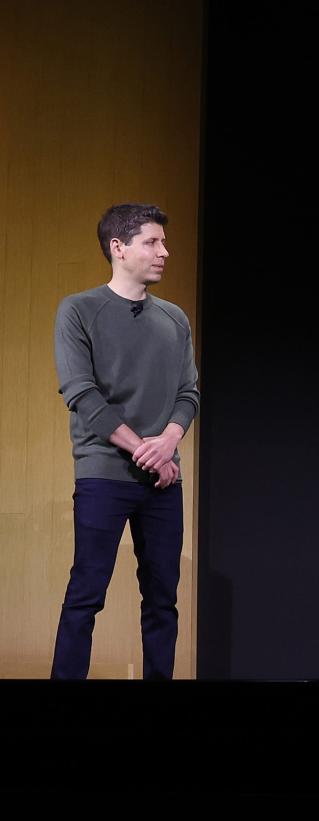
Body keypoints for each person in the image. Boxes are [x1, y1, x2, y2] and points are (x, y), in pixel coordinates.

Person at [50, 203, 200, 679]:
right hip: (104, 475)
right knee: (86, 594)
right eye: (152, 242)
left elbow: (188, 392)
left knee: (162, 600)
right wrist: (147, 451)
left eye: (163, 242)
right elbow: (82, 395)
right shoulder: (79, 310)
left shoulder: (174, 318)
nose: (164, 252)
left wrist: (170, 439)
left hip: (162, 482)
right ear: (118, 247)